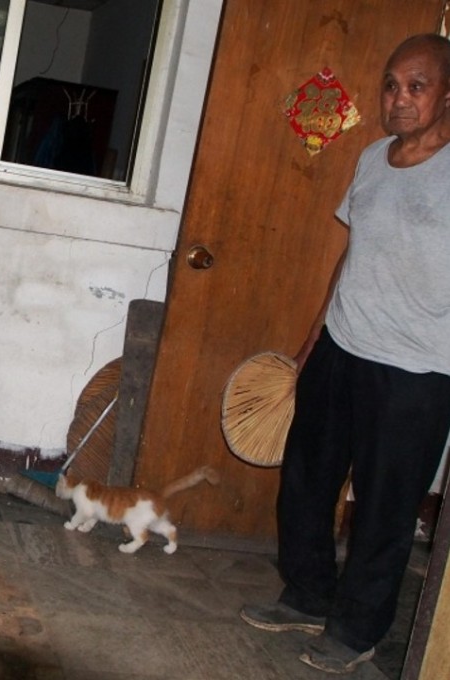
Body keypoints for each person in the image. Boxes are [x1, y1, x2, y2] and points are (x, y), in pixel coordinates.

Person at [240, 33, 450, 674]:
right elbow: (352, 255)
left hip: (417, 369)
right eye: (391, 85)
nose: (400, 99)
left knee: (385, 506)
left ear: (447, 94)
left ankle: (356, 628)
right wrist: (313, 341)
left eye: (416, 86)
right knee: (305, 480)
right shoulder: (370, 159)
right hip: (343, 345)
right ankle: (307, 593)